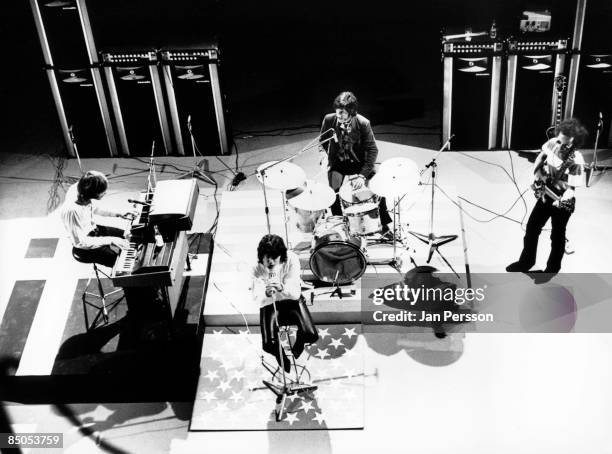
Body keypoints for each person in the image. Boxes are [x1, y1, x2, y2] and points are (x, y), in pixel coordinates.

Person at [506, 118, 587, 282]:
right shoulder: (552, 143)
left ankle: (551, 270)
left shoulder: (576, 160)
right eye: (560, 140)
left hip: (562, 200)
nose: (561, 146)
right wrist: (536, 176)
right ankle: (526, 261)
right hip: (546, 194)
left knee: (557, 236)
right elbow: (541, 157)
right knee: (532, 228)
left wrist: (562, 199)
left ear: (574, 142)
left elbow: (571, 190)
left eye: (566, 144)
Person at [319, 91, 393, 234]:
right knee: (333, 194)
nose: (339, 116)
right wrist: (324, 156)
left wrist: (362, 176)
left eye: (342, 113)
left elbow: (373, 150)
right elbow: (322, 142)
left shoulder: (363, 123)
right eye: (338, 112)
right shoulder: (329, 120)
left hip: (359, 163)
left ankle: (384, 225)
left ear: (351, 112)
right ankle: (339, 226)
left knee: (378, 188)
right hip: (338, 163)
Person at [251, 234, 318, 373]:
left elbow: (295, 294)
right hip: (270, 304)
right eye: (266, 257)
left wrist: (282, 288)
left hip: (291, 301)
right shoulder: (255, 267)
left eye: (274, 258)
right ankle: (280, 356)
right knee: (269, 344)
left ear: (281, 256)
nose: (270, 262)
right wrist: (266, 293)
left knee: (311, 334)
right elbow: (256, 298)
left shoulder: (292, 258)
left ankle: (297, 347)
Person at [61, 170, 134, 268]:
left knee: (130, 235)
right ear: (92, 194)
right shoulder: (72, 211)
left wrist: (118, 213)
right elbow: (80, 242)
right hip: (84, 248)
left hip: (93, 229)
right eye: (102, 192)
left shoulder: (82, 189)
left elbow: (95, 208)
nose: (105, 193)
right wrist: (111, 240)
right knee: (121, 263)